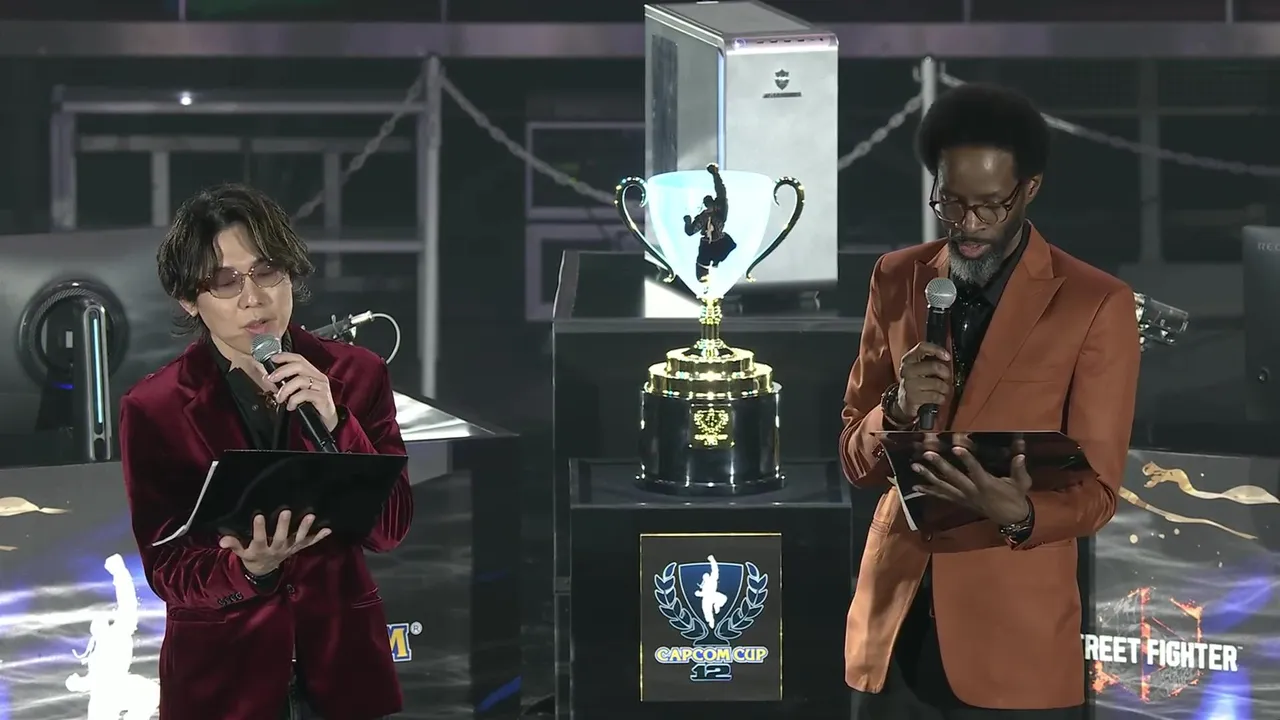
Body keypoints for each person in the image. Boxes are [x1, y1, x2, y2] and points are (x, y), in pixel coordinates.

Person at [838, 84, 1140, 719]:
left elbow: (1099, 494)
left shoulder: (1094, 304)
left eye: (989, 206)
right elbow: (855, 462)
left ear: (1029, 190)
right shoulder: (897, 277)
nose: (967, 224)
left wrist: (1020, 513)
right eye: (950, 202)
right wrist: (894, 408)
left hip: (1014, 646)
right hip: (891, 633)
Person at [120, 183, 413, 720]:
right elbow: (167, 568)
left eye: (267, 271)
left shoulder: (356, 374)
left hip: (343, 672)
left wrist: (337, 422)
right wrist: (249, 569)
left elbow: (390, 528)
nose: (253, 298)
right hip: (223, 685)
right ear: (188, 300)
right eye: (224, 282)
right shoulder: (155, 407)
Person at [682, 163, 737, 282]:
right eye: (707, 206)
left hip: (720, 241)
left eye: (710, 205)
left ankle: (715, 263)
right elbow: (691, 231)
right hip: (707, 244)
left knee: (728, 246)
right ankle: (703, 278)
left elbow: (721, 192)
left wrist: (715, 175)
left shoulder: (719, 211)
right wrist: (688, 221)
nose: (708, 208)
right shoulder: (703, 217)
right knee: (703, 262)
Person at [694, 554, 728, 629]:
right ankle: (711, 621)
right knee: (706, 610)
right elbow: (704, 594)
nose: (706, 577)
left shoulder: (713, 579)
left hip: (713, 595)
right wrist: (698, 593)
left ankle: (717, 605)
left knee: (723, 598)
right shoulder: (704, 586)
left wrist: (712, 560)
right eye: (704, 577)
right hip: (707, 599)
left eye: (707, 576)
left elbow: (715, 569)